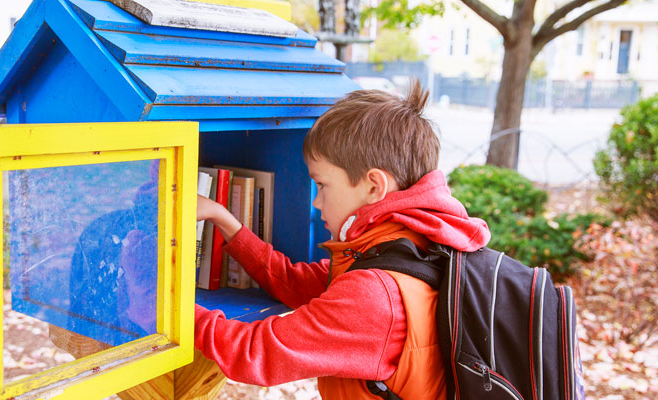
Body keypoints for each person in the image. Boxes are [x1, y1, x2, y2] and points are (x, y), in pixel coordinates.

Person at [194, 80, 491, 399]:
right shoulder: (416, 243)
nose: (316, 202)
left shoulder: (375, 295)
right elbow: (294, 282)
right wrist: (222, 218)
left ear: (374, 186)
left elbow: (255, 352)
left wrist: (159, 306)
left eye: (322, 185)